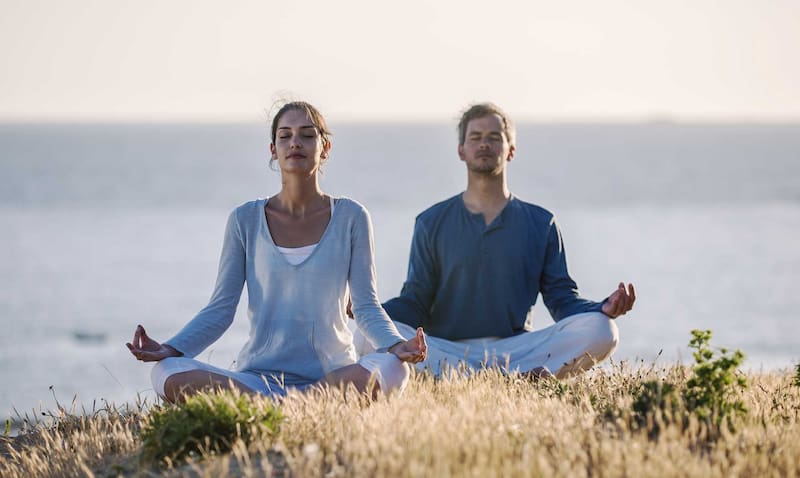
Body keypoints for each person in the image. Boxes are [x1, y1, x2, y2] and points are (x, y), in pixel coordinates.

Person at [127, 101, 427, 403]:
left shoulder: (352, 217)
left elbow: (365, 307)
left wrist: (395, 345)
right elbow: (220, 310)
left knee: (394, 368)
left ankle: (290, 404)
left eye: (307, 135)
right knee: (166, 371)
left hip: (333, 377)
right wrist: (170, 349)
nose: (295, 142)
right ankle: (290, 406)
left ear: (325, 148)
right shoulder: (244, 219)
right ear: (273, 149)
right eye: (285, 136)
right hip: (257, 380)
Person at [356, 102, 634, 379]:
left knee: (603, 330)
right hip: (446, 350)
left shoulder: (540, 223)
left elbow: (561, 299)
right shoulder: (431, 222)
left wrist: (601, 308)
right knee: (366, 335)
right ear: (461, 151)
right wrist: (366, 310)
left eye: (494, 137)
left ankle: (503, 378)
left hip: (518, 350)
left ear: (510, 150)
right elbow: (415, 300)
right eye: (475, 137)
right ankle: (488, 379)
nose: (484, 144)